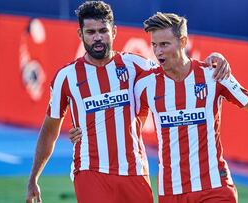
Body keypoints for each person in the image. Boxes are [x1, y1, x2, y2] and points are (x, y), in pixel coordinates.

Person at [25, 1, 231, 203]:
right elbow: (50, 129)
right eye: (90, 32)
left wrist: (215, 59)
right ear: (80, 35)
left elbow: (178, 69)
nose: (98, 37)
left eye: (103, 31)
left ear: (113, 32)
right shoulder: (66, 77)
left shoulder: (137, 65)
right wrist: (34, 177)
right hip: (91, 171)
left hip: (135, 173)